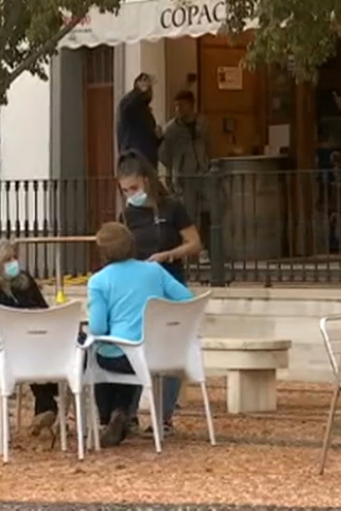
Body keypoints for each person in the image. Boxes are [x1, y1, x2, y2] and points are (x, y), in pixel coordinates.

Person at [117, 149, 202, 434]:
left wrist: (169, 254)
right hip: (137, 291)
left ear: (147, 181)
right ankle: (126, 414)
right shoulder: (127, 215)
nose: (131, 194)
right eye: (126, 190)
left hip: (170, 283)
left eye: (135, 188)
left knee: (169, 350)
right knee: (131, 348)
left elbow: (194, 243)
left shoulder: (172, 208)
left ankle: (163, 415)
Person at [87, 222, 194, 447]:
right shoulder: (154, 270)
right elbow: (185, 298)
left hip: (124, 355)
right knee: (131, 354)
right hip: (159, 351)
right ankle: (121, 412)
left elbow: (97, 328)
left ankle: (109, 416)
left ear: (103, 251)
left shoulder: (99, 280)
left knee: (100, 355)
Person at [0, 239, 59, 438]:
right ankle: (47, 404)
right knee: (35, 350)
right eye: (8, 259)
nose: (13, 262)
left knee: (46, 346)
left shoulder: (24, 281)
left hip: (31, 339)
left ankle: (46, 406)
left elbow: (43, 309)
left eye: (15, 258)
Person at [159, 90, 211, 243]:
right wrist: (176, 168)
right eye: (175, 106)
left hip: (203, 172)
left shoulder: (202, 123)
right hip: (183, 176)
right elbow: (164, 155)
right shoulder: (171, 129)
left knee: (210, 210)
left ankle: (206, 245)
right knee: (189, 213)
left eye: (181, 105)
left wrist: (207, 162)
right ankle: (191, 248)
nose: (178, 110)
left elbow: (209, 145)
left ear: (191, 105)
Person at [117, 73, 163, 168]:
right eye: (148, 88)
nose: (150, 92)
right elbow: (128, 107)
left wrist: (157, 137)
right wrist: (139, 91)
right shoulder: (129, 104)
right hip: (133, 160)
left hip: (148, 162)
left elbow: (147, 137)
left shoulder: (146, 112)